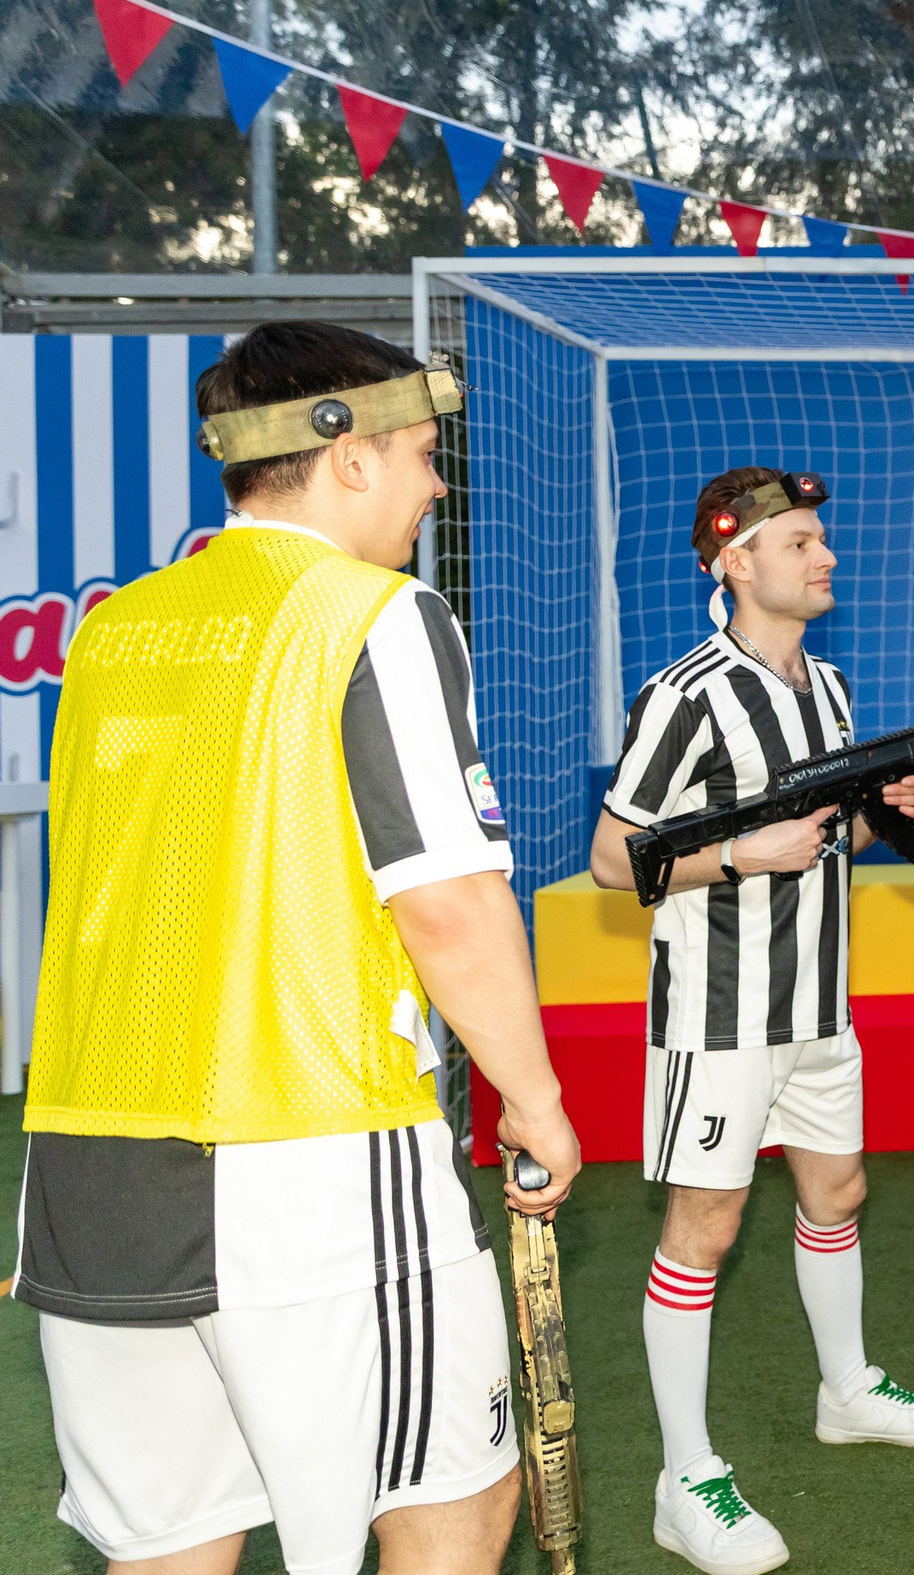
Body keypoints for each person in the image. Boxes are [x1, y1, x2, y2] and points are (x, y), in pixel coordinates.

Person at [13, 321, 581, 1575]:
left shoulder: (117, 629)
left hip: (85, 1157)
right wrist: (533, 1102)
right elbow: (447, 897)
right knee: (451, 1503)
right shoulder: (375, 611)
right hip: (309, 1144)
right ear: (349, 456)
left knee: (171, 1541)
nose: (439, 490)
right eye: (427, 458)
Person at [589, 466, 914, 1575]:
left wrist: (885, 815)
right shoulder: (686, 694)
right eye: (799, 542)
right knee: (701, 1231)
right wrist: (741, 852)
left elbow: (832, 825)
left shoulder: (833, 689)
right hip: (717, 1013)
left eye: (818, 540)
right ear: (734, 561)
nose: (824, 556)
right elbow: (615, 860)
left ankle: (846, 1389)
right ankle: (684, 1477)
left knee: (835, 1190)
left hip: (817, 1006)